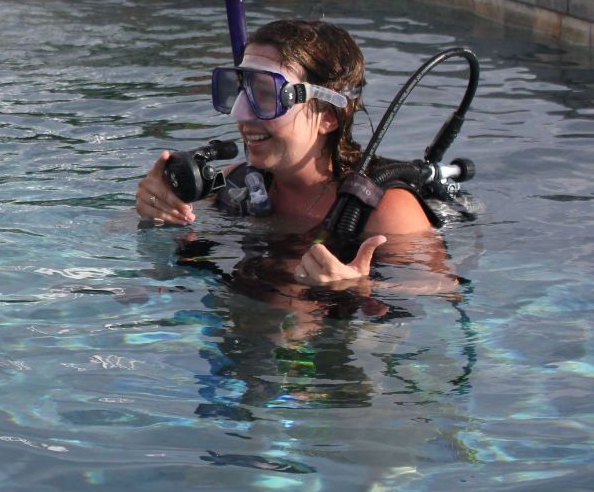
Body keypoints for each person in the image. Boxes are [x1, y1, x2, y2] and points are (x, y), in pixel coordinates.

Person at [134, 18, 441, 289]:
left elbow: (442, 287)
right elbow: (115, 233)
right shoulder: (237, 183)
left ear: (329, 117)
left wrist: (360, 285)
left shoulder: (384, 208)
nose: (241, 114)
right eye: (240, 90)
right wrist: (156, 208)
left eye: (266, 95)